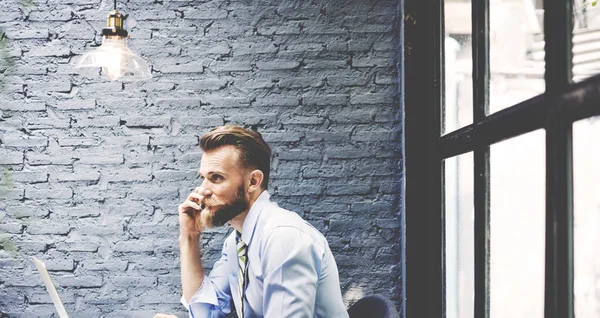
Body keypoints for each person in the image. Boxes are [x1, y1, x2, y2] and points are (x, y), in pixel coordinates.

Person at [154, 125, 348, 318]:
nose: (202, 190)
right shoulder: (236, 242)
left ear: (253, 182)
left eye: (216, 178)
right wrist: (189, 236)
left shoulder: (282, 237)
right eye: (203, 178)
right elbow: (207, 312)